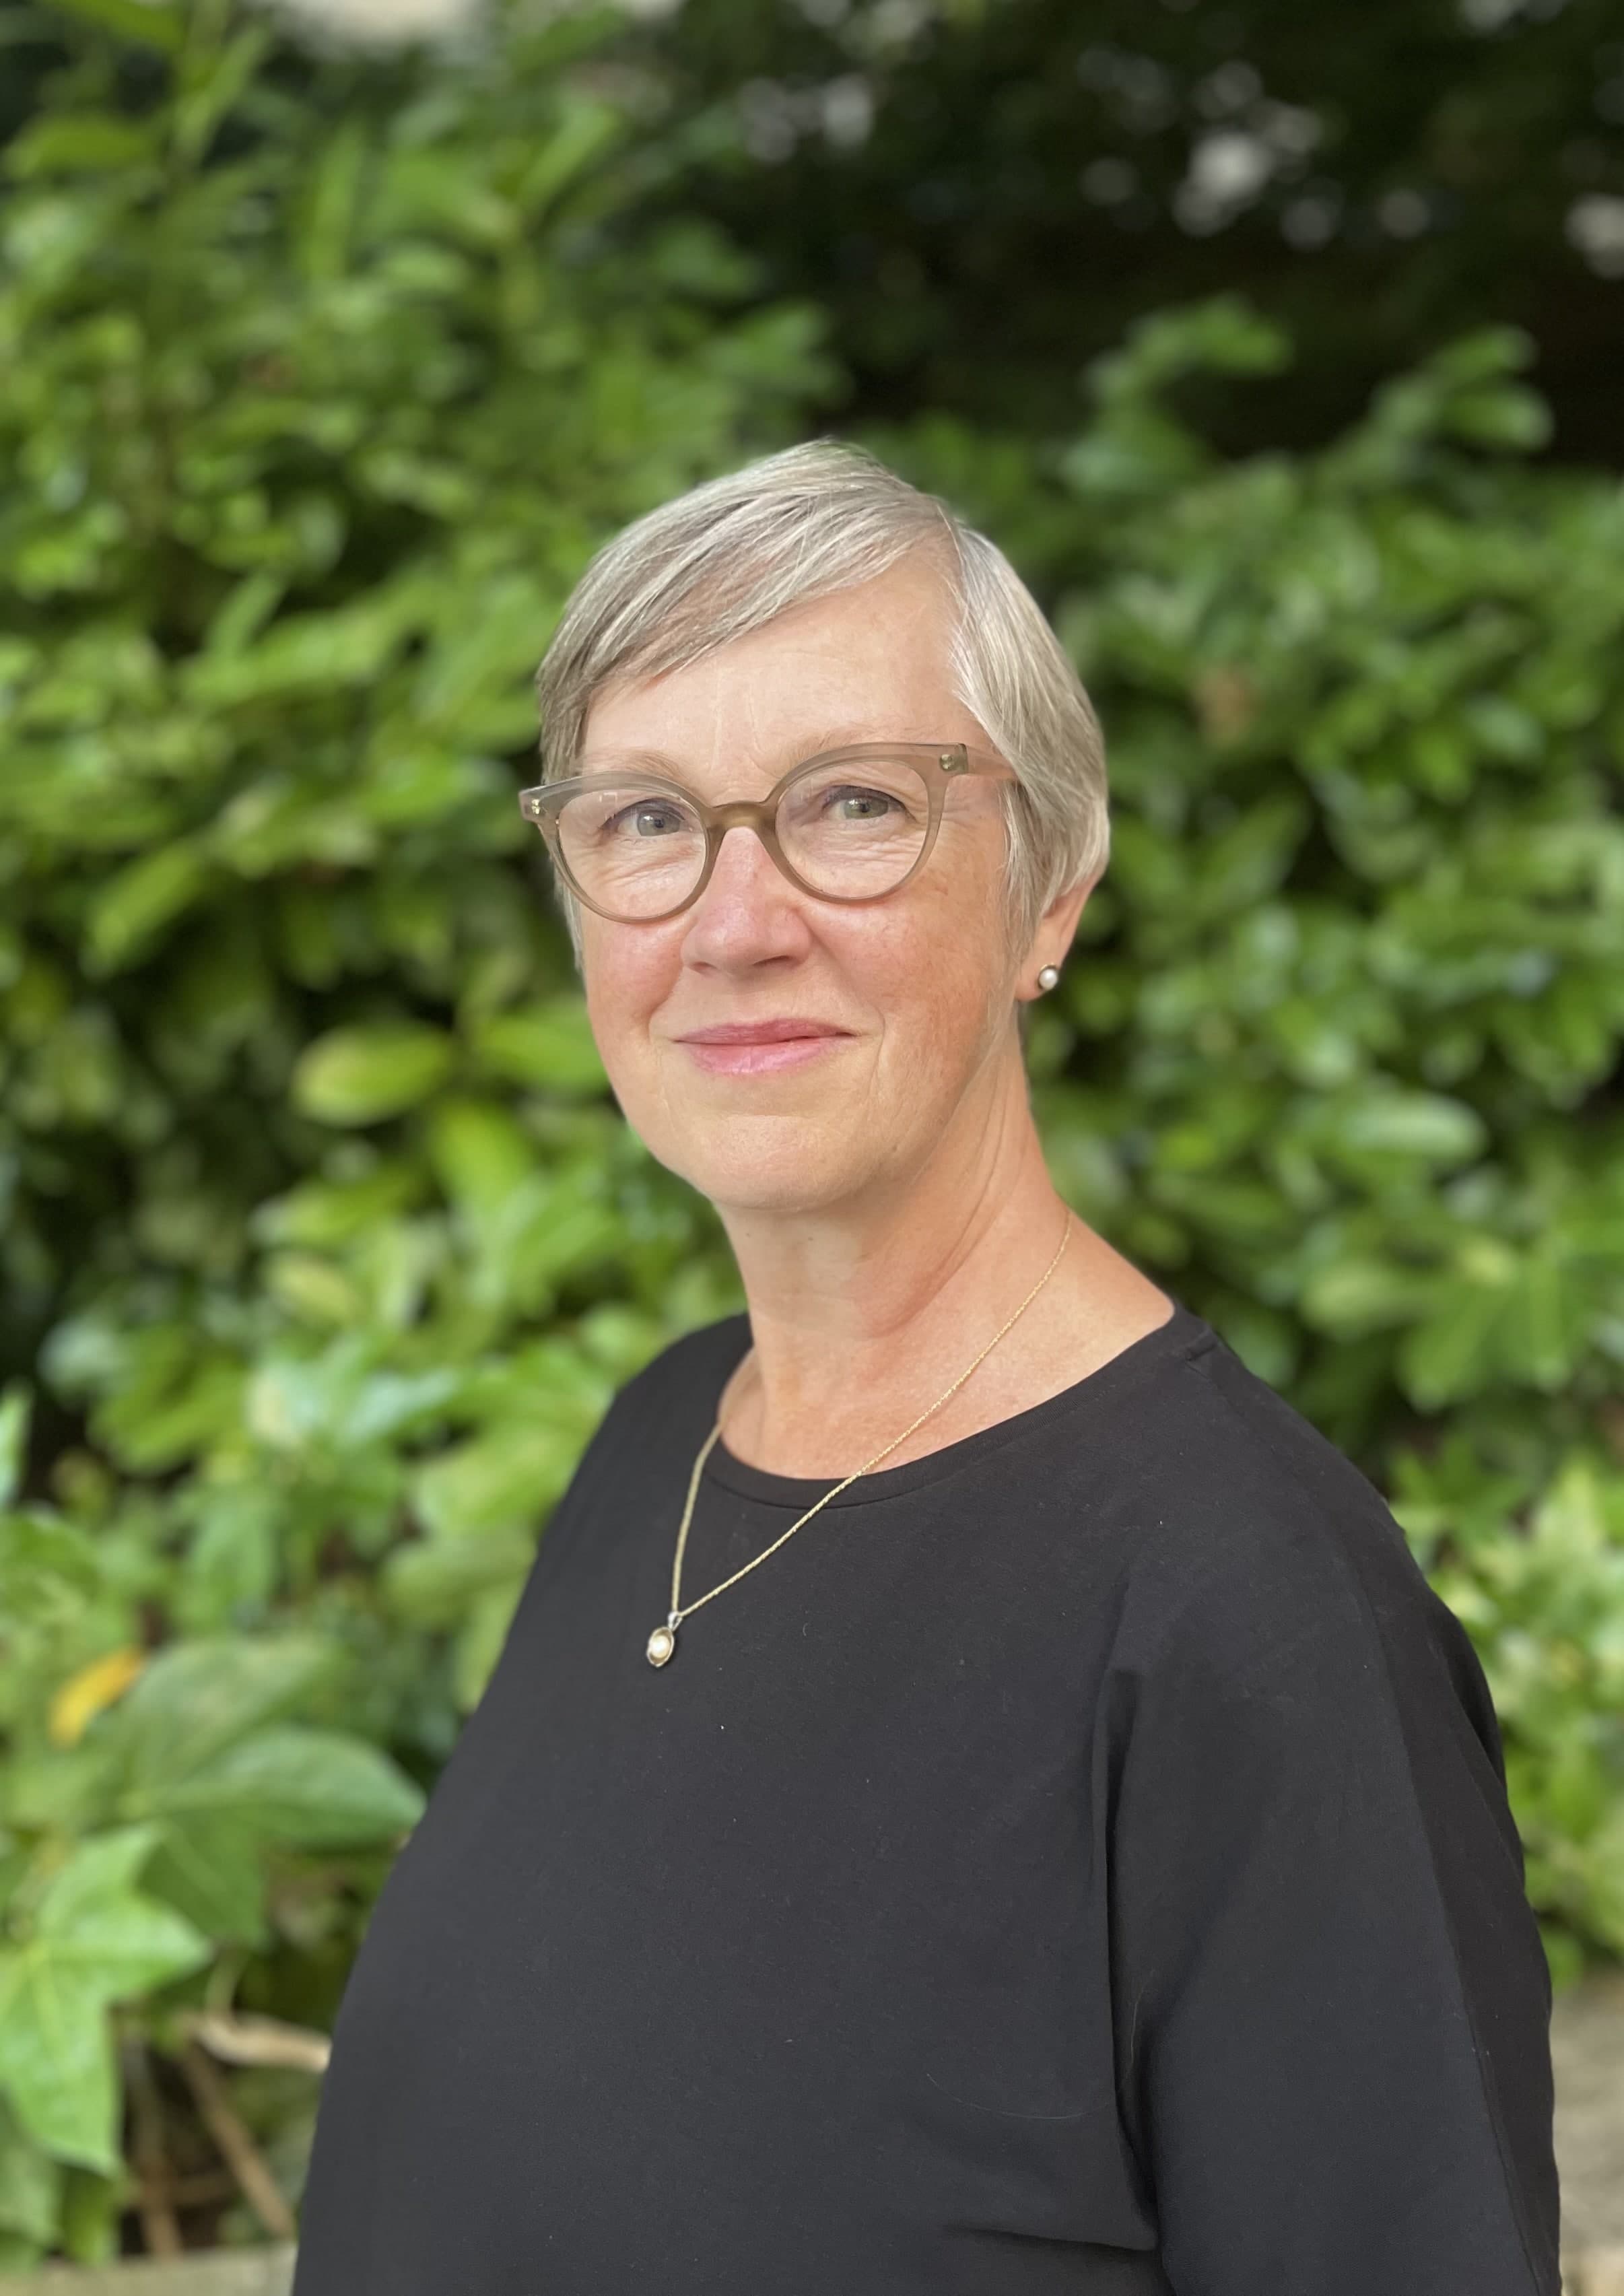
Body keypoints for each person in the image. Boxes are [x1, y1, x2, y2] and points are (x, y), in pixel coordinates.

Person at [290, 440, 1560, 2295]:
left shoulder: (1250, 1622)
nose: (733, 923)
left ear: (1047, 883)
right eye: (645, 819)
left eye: (852, 804)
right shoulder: (663, 1442)